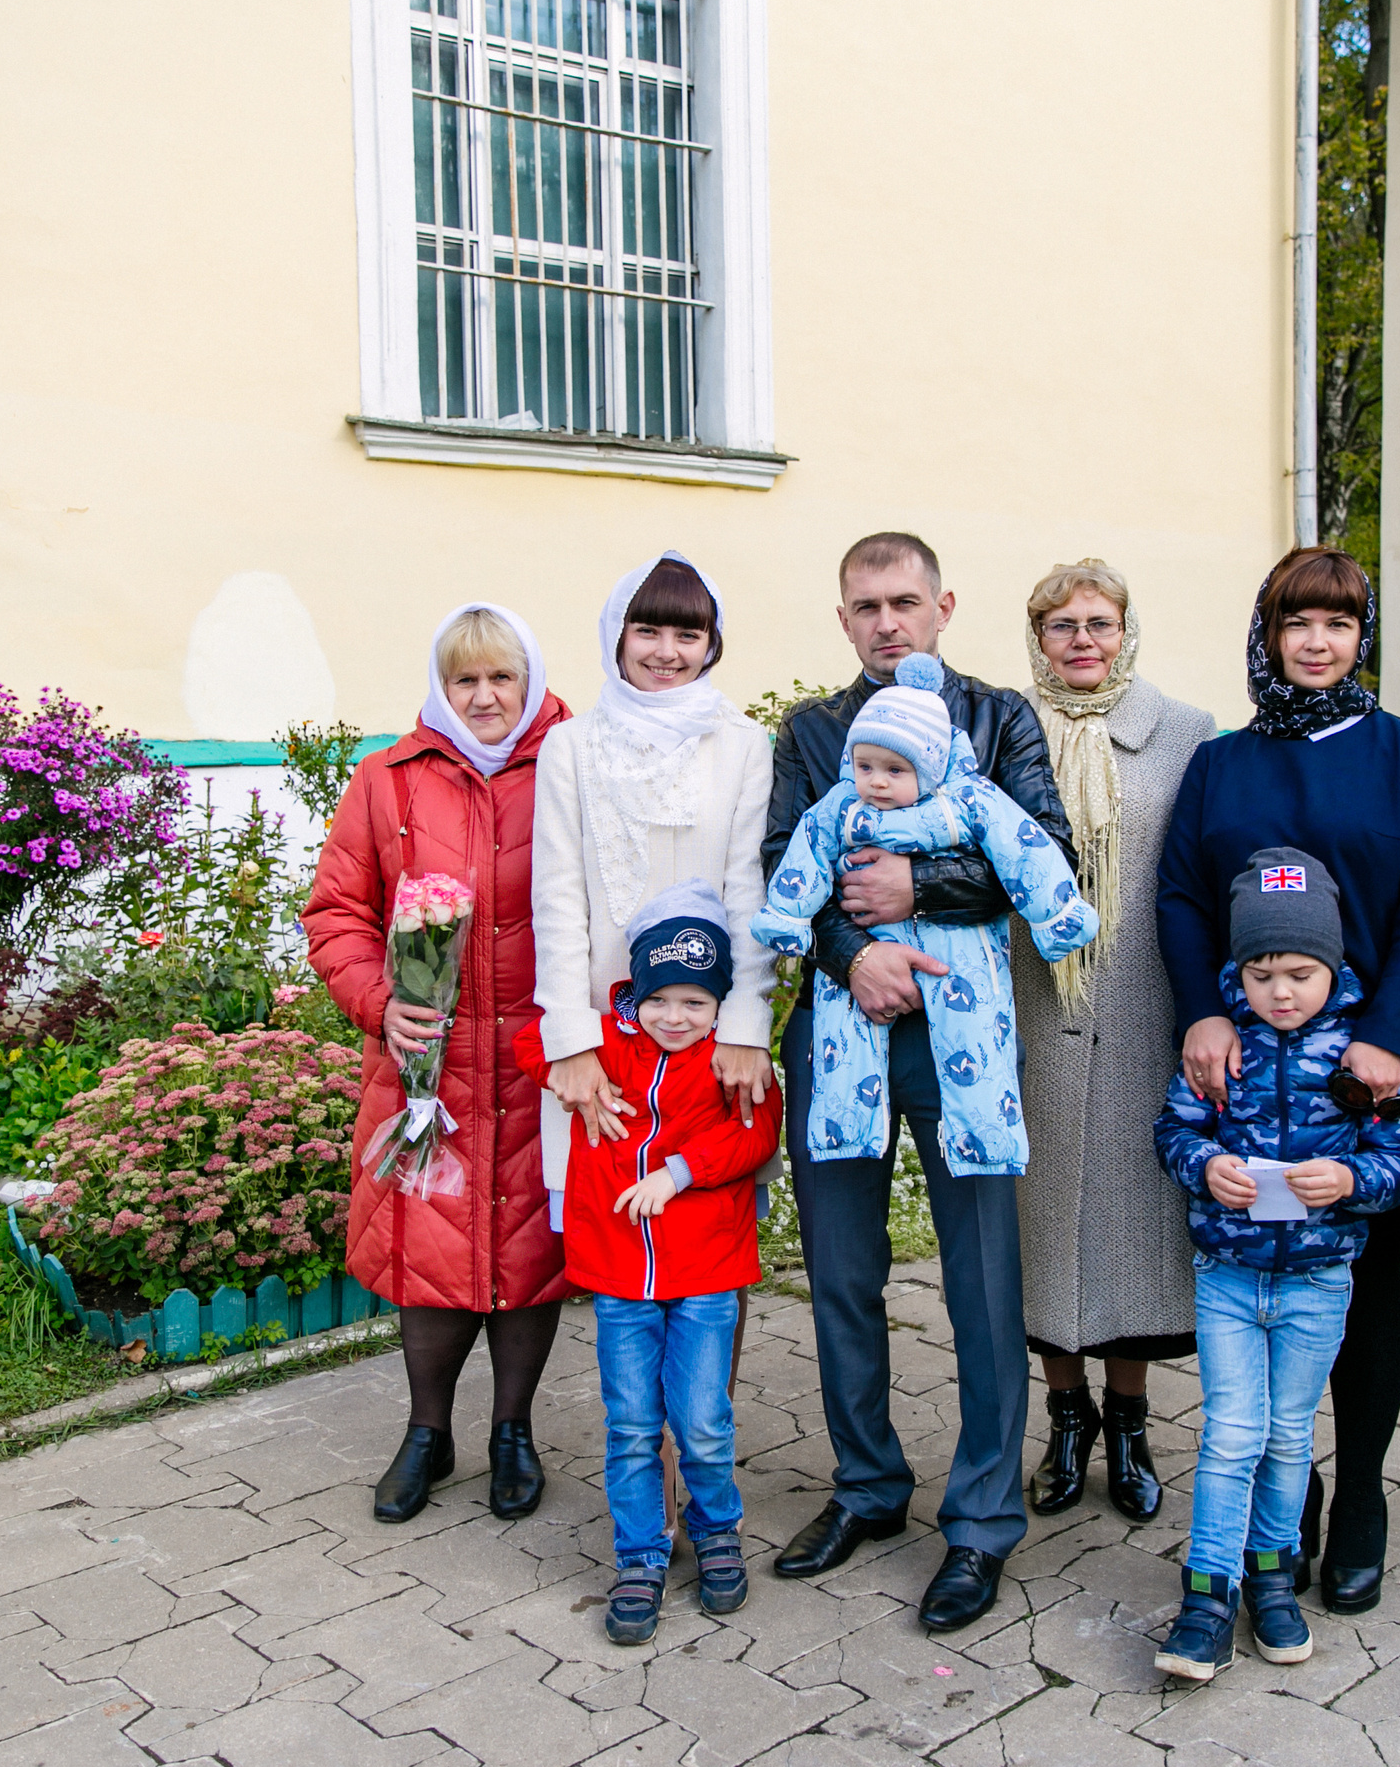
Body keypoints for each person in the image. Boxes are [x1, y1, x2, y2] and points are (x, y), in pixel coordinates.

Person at [764, 531, 1075, 1633]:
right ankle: (867, 1488)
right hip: (842, 1035)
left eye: (904, 601)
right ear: (842, 618)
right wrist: (856, 954)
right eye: (864, 606)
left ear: (943, 603)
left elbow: (1041, 853)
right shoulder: (809, 731)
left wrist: (918, 889)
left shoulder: (999, 719)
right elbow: (781, 872)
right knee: (841, 1274)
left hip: (966, 1039)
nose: (886, 621)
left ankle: (983, 1520)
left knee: (981, 1276)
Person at [1156, 546, 1400, 1614]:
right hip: (1244, 1068)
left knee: (1365, 1275)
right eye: (1298, 622)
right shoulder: (1220, 761)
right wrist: (1202, 1009)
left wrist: (1387, 1032)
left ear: (1360, 633)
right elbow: (1184, 899)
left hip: (1365, 1068)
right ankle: (1292, 1488)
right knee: (1266, 1271)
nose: (1318, 641)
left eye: (1338, 622)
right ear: (1269, 633)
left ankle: (1364, 1491)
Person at [307, 602, 574, 1526]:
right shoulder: (388, 779)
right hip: (431, 1061)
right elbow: (336, 912)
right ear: (441, 687)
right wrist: (383, 1006)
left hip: (541, 1058)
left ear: (531, 680)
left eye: (503, 676)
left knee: (530, 1248)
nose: (486, 695)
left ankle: (512, 1428)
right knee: (428, 1248)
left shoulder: (577, 764)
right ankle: (428, 1430)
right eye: (466, 679)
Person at [1149, 849, 1400, 1681]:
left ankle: (1271, 1580)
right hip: (1228, 1276)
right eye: (1260, 972)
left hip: (1318, 1279)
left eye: (1299, 972)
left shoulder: (1361, 1057)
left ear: (1330, 964)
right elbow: (1174, 1130)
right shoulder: (1219, 1047)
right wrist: (1204, 1167)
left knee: (1286, 1436)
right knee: (1232, 1433)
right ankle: (1205, 1594)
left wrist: (1350, 1178)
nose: (1280, 991)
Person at [512, 882, 782, 1647]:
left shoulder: (730, 1063)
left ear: (720, 1004)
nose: (676, 1017)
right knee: (632, 1423)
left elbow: (757, 1136)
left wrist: (680, 1172)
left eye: (696, 1001)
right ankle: (639, 1554)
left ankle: (717, 1528)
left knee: (701, 1419)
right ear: (634, 993)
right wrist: (577, 1065)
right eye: (659, 998)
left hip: (706, 1271)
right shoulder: (611, 1043)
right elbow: (530, 1039)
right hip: (618, 1275)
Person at [1007, 560, 1212, 1521]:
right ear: (1037, 637)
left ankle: (1128, 1418)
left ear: (1127, 630)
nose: (1082, 639)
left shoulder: (1188, 734)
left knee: (1137, 1228)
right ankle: (1065, 1414)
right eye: (1061, 625)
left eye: (1099, 622)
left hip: (1143, 1013)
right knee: (1041, 1225)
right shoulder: (1005, 732)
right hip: (1033, 1012)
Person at [754, 650, 1097, 1176]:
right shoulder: (840, 804)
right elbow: (799, 855)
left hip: (960, 964)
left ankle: (986, 1140)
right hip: (856, 975)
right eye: (865, 766)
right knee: (844, 1048)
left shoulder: (970, 799)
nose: (878, 782)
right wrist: (788, 915)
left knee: (976, 1045)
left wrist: (1056, 913)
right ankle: (845, 1131)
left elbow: (1028, 849)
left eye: (896, 769)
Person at [530, 550, 778, 1216]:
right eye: (647, 630)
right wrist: (571, 1042)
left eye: (687, 635)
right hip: (606, 1046)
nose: (666, 652)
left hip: (709, 1040)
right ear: (617, 633)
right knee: (612, 1231)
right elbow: (556, 900)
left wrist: (746, 1028)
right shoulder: (571, 747)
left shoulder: (744, 744)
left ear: (711, 643)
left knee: (710, 1227)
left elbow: (749, 894)